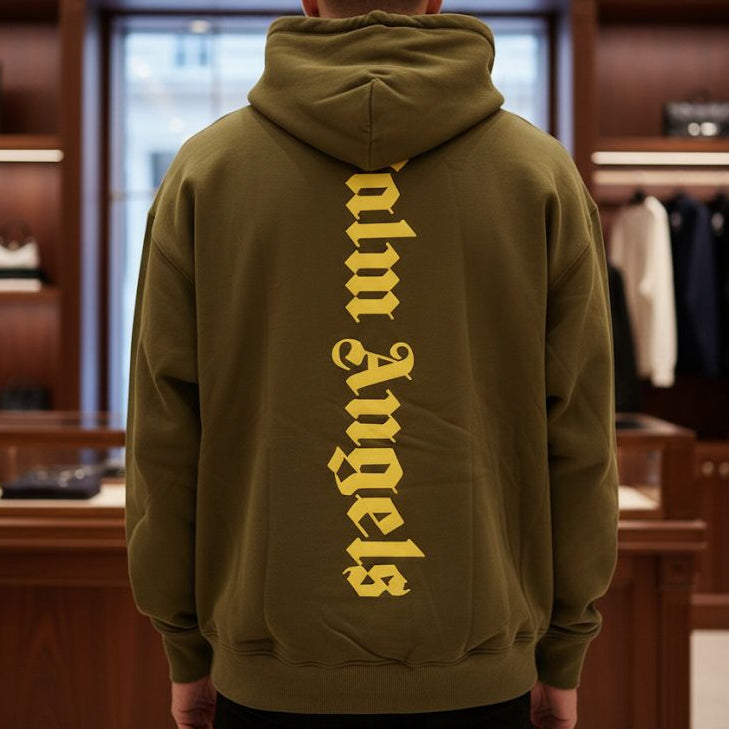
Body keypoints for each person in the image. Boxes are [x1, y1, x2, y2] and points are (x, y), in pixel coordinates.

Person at [124, 0, 620, 728]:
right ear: (435, 0)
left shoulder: (206, 170)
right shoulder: (537, 173)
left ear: (309, 0)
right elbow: (579, 435)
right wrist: (564, 649)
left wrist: (184, 645)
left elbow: (163, 439)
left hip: (267, 675)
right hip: (480, 672)